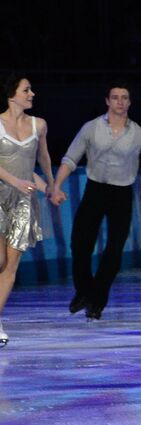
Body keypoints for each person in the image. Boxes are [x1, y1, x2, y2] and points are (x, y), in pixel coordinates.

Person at [50, 84, 141, 320]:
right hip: (95, 190)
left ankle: (97, 300)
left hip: (121, 194)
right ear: (107, 101)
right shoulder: (91, 128)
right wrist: (57, 185)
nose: (120, 101)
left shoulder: (140, 133)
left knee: (114, 248)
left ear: (129, 103)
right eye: (115, 97)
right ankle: (84, 290)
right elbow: (71, 158)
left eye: (124, 98)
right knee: (80, 243)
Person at [0, 75, 60, 347]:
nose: (32, 93)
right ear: (11, 95)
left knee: (11, 266)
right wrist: (16, 182)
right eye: (26, 90)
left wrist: (51, 185)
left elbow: (43, 157)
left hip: (24, 202)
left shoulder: (39, 125)